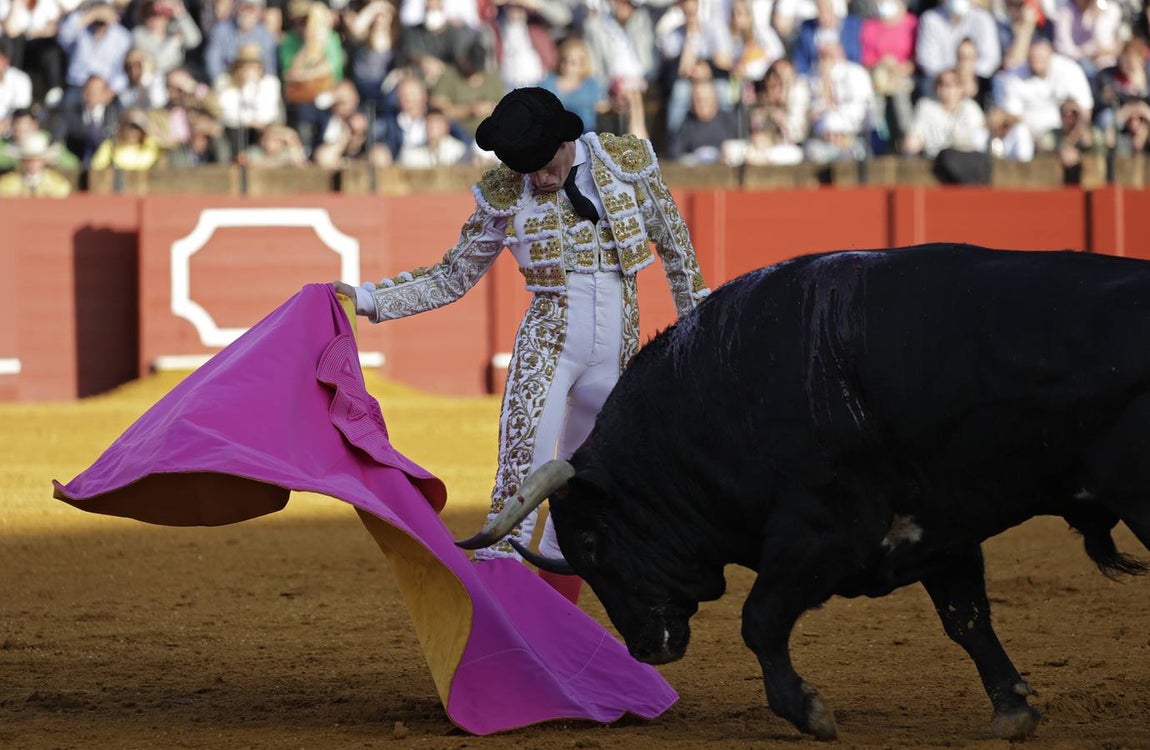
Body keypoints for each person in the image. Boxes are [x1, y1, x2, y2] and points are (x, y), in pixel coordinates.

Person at [333, 87, 710, 605]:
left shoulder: (627, 163)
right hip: (547, 347)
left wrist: (702, 337)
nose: (538, 178)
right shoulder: (505, 193)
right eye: (525, 168)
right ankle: (498, 623)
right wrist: (367, 298)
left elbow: (678, 253)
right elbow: (452, 276)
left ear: (565, 138)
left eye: (544, 164)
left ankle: (557, 623)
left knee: (587, 497)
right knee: (518, 484)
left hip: (618, 357)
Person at [0, 131, 73, 196]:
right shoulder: (10, 183)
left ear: (43, 160)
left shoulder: (55, 183)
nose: (33, 163)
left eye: (37, 159)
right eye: (28, 160)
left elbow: (64, 191)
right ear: (22, 161)